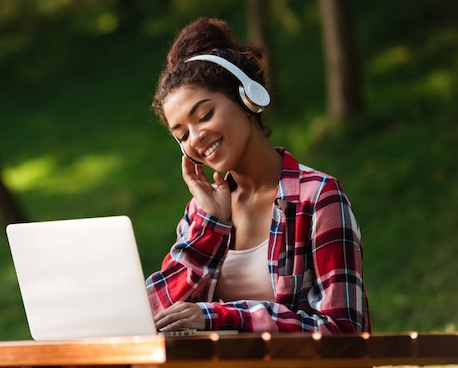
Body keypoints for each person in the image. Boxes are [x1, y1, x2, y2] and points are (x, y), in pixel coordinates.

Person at [145, 18, 370, 334]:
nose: (195, 138)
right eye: (182, 135)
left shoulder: (317, 196)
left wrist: (226, 315)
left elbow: (344, 331)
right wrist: (210, 225)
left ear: (247, 99)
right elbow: (156, 315)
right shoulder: (201, 213)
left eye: (205, 115)